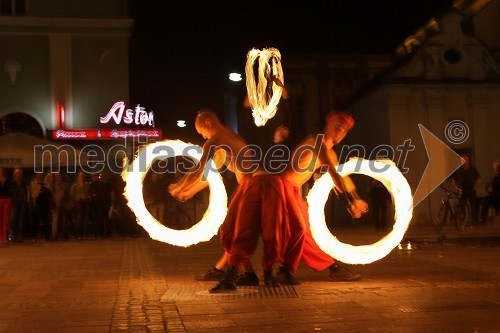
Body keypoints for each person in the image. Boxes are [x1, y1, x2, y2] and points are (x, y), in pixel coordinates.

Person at [277, 111, 368, 284]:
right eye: (337, 128)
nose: (340, 134)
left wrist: (356, 198)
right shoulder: (317, 142)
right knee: (299, 230)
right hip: (280, 188)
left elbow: (343, 177)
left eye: (344, 131)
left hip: (293, 191)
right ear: (327, 125)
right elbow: (334, 175)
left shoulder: (330, 152)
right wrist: (349, 202)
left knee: (303, 231)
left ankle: (325, 268)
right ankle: (285, 271)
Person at [169, 110, 257, 282]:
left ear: (208, 123)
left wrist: (178, 187)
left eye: (202, 132)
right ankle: (245, 273)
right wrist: (189, 191)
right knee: (234, 231)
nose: (203, 136)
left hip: (251, 186)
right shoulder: (226, 139)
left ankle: (232, 271)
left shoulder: (216, 140)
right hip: (250, 186)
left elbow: (198, 170)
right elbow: (208, 174)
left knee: (230, 230)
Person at [452, 153, 481, 225]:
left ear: (469, 161)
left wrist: (476, 186)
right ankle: (464, 220)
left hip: (471, 190)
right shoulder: (458, 170)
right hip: (462, 190)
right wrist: (456, 187)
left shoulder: (473, 169)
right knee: (462, 206)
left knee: (473, 206)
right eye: (463, 159)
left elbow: (479, 178)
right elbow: (453, 180)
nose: (465, 161)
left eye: (466, 159)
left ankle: (473, 221)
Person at [71, 171, 90, 240]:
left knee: (85, 219)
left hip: (86, 203)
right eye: (80, 176)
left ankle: (84, 234)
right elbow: (72, 195)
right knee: (79, 219)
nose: (81, 177)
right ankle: (78, 234)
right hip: (78, 204)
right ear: (78, 177)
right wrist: (78, 197)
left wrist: (87, 197)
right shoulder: (75, 186)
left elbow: (89, 194)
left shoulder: (87, 185)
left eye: (82, 176)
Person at [11, 168, 28, 243]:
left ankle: (19, 236)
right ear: (14, 174)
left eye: (21, 173)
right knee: (13, 220)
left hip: (22, 203)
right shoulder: (12, 183)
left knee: (20, 221)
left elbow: (26, 193)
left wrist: (26, 201)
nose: (19, 175)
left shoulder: (23, 183)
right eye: (18, 173)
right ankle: (13, 236)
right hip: (14, 203)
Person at [0, 167, 13, 245]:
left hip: (7, 200)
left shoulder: (8, 180)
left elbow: (11, 190)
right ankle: (0, 237)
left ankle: (5, 238)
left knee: (6, 220)